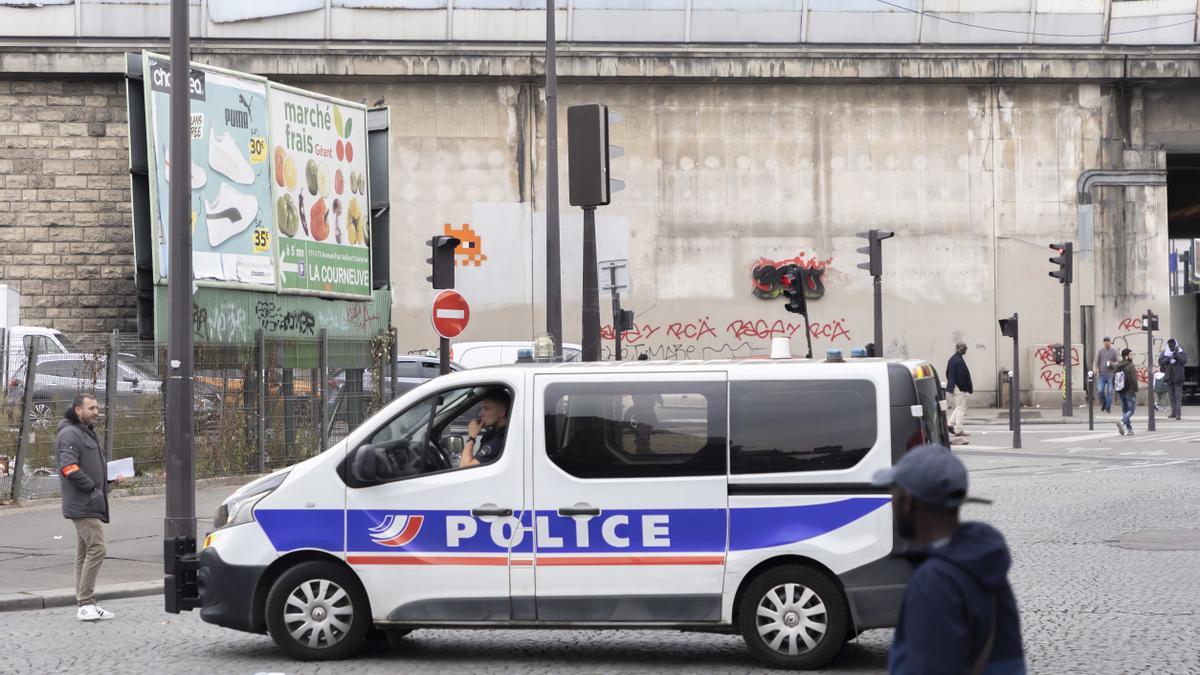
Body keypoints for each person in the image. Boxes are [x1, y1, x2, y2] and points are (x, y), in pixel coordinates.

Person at [872, 444, 1026, 675]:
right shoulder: (983, 563)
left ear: (908, 502)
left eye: (894, 491)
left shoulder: (934, 582)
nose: (891, 500)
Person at [56, 393, 121, 621]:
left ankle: (86, 603)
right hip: (83, 503)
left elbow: (88, 466)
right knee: (98, 548)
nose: (96, 411)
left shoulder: (85, 433)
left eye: (96, 407)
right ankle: (85, 603)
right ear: (78, 411)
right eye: (91, 408)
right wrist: (92, 488)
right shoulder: (70, 434)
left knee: (84, 552)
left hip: (88, 500)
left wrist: (109, 480)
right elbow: (68, 467)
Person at [460, 388, 510, 467]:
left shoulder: (501, 441)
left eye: (486, 408)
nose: (480, 414)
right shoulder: (490, 435)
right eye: (481, 408)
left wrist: (472, 437)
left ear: (502, 412)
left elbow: (465, 467)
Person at [945, 342, 973, 444]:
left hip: (954, 387)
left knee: (958, 406)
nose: (966, 350)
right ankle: (958, 430)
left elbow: (947, 372)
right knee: (961, 408)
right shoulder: (959, 361)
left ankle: (949, 424)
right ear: (960, 349)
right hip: (959, 388)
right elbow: (963, 377)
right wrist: (965, 388)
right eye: (965, 348)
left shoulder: (952, 359)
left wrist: (952, 383)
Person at [1158, 338, 1187, 420]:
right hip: (1169, 377)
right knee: (1171, 396)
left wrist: (1176, 354)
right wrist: (1168, 359)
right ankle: (1173, 412)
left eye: (1173, 344)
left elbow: (1184, 361)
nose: (1171, 346)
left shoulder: (1180, 351)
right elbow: (1160, 362)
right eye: (1170, 345)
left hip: (1178, 377)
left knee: (1178, 397)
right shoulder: (1165, 352)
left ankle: (1178, 414)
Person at [1114, 348, 1138, 436]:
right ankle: (1122, 421)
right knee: (1131, 410)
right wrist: (1136, 389)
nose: (1132, 357)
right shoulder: (1131, 366)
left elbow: (1114, 378)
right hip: (1130, 390)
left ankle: (1129, 429)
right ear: (1126, 356)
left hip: (1121, 390)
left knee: (1125, 410)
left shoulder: (1118, 365)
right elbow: (1134, 379)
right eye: (1131, 355)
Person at [1094, 337, 1118, 413]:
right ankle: (1104, 402)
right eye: (1105, 341)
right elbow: (1096, 361)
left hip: (1111, 375)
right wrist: (1095, 368)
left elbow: (1118, 363)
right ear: (1103, 342)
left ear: (1110, 342)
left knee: (1110, 392)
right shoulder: (1100, 351)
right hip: (1102, 375)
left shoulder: (1114, 351)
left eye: (1108, 341)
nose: (1106, 342)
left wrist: (1112, 363)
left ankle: (1108, 407)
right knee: (1100, 390)